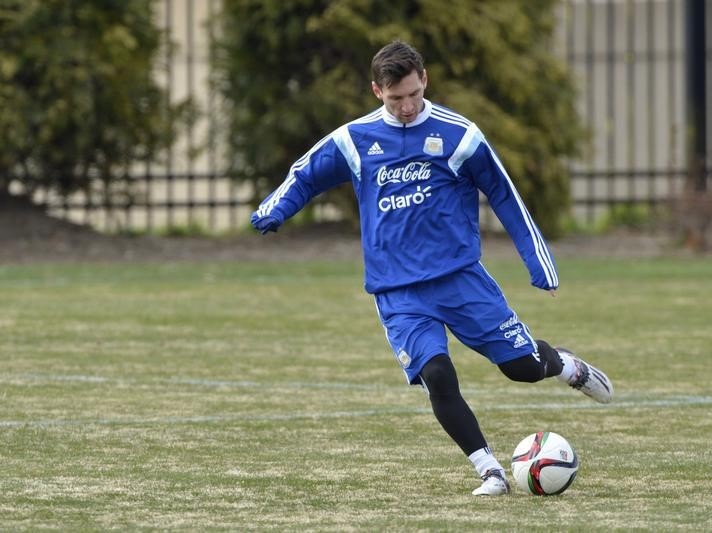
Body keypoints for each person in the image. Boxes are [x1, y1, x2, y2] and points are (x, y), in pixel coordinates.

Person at [251, 40, 613, 496]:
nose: (405, 106)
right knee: (437, 374)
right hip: (398, 292)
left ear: (424, 79)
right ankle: (490, 472)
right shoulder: (354, 140)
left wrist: (540, 264)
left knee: (520, 367)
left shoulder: (460, 135)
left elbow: (505, 195)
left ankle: (566, 367)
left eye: (412, 95)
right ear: (376, 91)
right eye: (394, 97)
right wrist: (276, 209)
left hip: (461, 279)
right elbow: (306, 173)